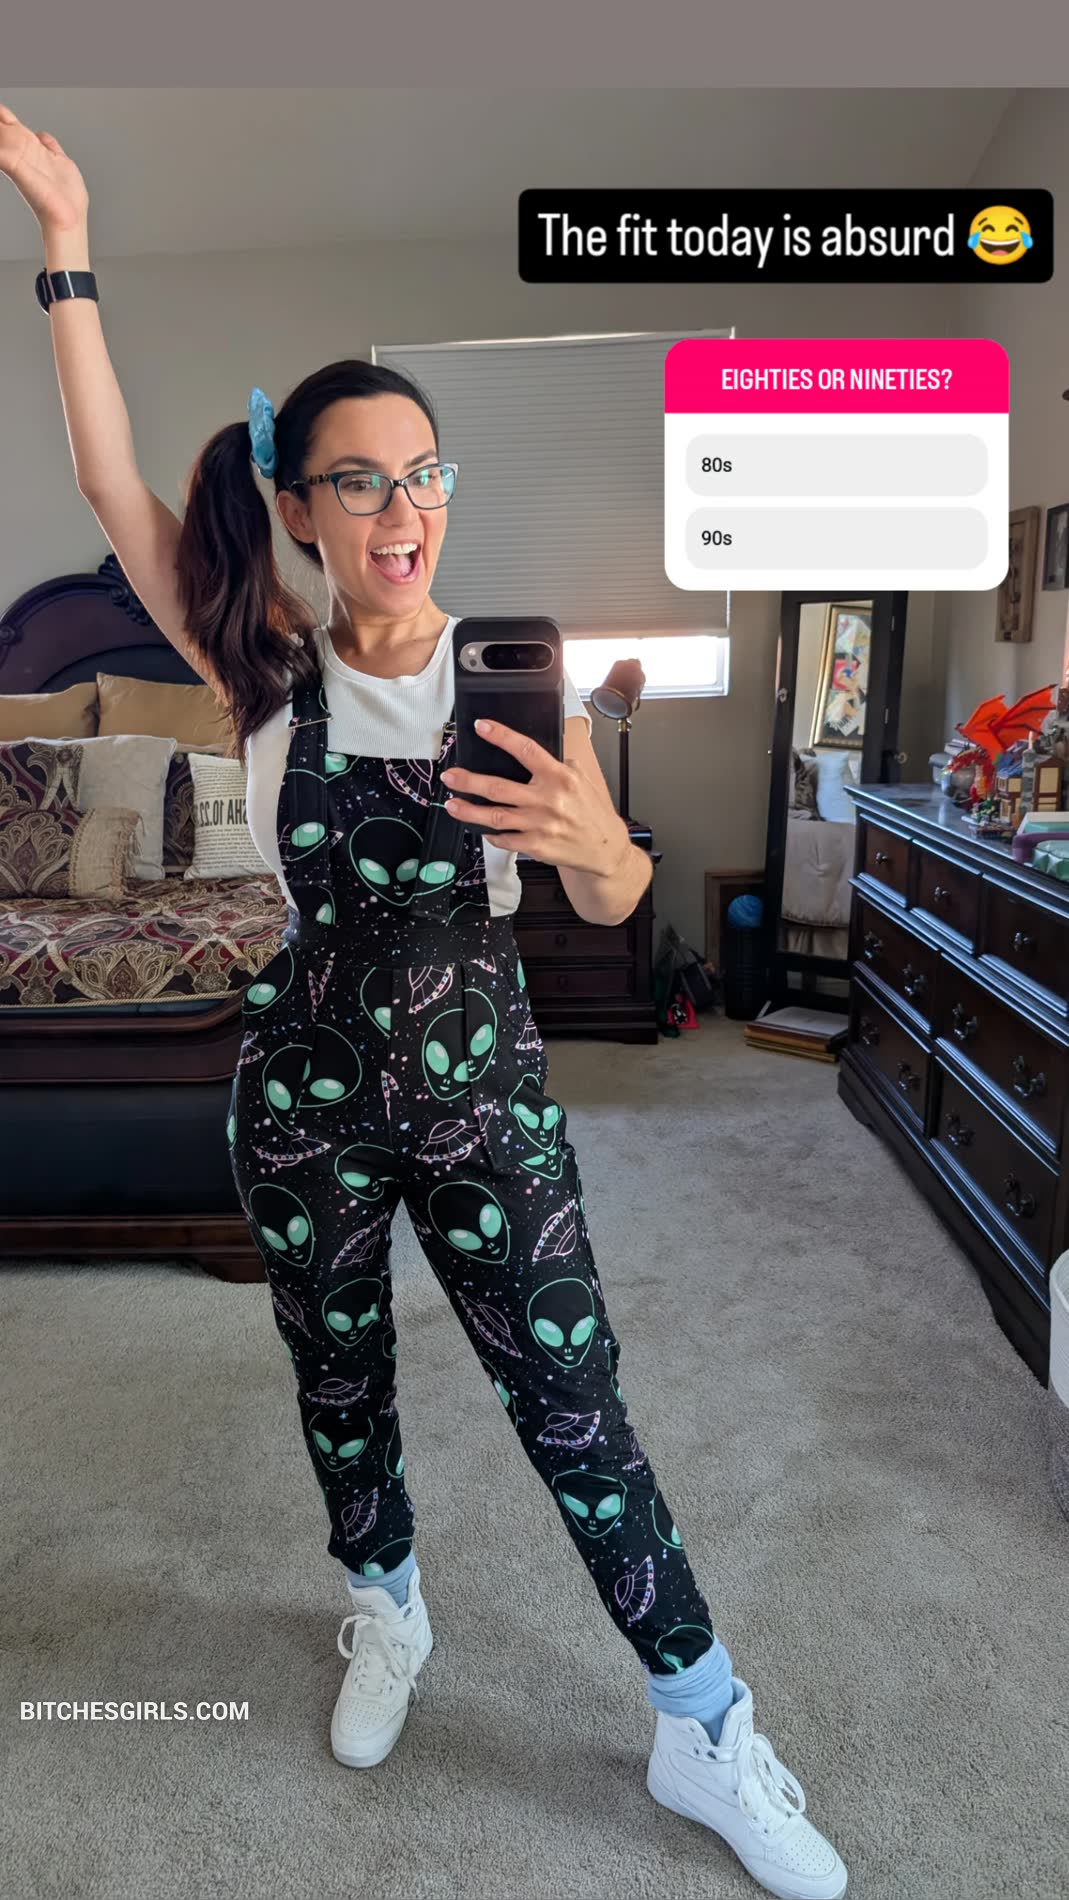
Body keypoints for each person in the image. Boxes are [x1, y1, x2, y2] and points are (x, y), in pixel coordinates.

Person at [1, 102, 847, 1900]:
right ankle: (384, 1606)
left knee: (571, 1397)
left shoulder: (512, 673)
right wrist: (65, 246)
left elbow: (606, 899)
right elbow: (105, 482)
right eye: (363, 480)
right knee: (339, 1375)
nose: (405, 508)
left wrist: (600, 842)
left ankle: (702, 1722)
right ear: (300, 506)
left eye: (425, 472)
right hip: (301, 1085)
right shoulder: (257, 663)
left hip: (485, 1093)